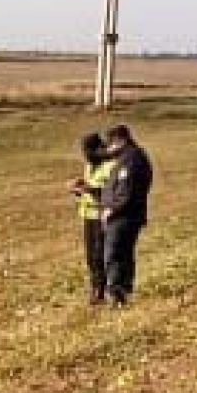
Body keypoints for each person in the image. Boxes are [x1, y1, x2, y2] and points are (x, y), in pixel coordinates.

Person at [96, 124, 153, 306]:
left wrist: (111, 210)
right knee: (123, 254)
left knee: (114, 254)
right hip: (124, 215)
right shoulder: (127, 158)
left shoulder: (132, 160)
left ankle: (117, 294)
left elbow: (127, 192)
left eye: (110, 144)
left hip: (124, 216)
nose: (109, 149)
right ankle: (122, 292)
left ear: (120, 140)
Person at [68, 133, 116, 305]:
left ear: (99, 149)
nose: (86, 155)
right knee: (90, 256)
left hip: (102, 216)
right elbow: (89, 187)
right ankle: (95, 288)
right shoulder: (89, 165)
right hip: (88, 215)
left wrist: (89, 189)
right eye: (84, 152)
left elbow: (111, 193)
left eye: (88, 151)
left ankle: (103, 291)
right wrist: (78, 190)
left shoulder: (110, 166)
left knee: (99, 255)